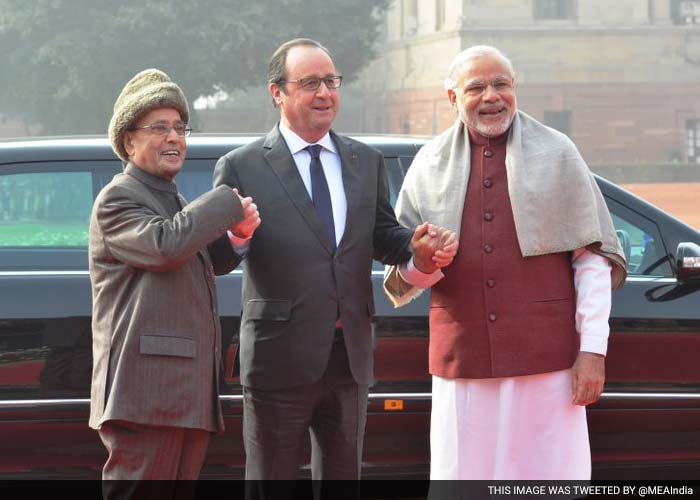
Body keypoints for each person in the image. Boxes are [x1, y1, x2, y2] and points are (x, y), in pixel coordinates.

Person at [212, 38, 456, 495]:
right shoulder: (242, 166)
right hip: (278, 358)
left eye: (331, 81)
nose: (325, 93)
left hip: (350, 356)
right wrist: (239, 234)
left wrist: (416, 250)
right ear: (277, 92)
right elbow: (218, 259)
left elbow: (384, 235)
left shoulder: (365, 161)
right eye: (310, 83)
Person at [384, 45, 627, 481]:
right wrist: (424, 260)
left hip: (547, 364)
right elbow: (407, 276)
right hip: (464, 364)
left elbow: (591, 261)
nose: (492, 96)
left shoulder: (558, 152)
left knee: (547, 479)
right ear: (453, 99)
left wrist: (592, 352)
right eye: (476, 87)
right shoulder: (428, 164)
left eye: (502, 84)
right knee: (465, 479)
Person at [88, 68, 260, 496]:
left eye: (180, 128)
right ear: (128, 142)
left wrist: (236, 239)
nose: (174, 138)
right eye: (159, 128)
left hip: (183, 394)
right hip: (146, 395)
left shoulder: (172, 198)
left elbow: (190, 257)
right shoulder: (119, 196)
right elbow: (164, 247)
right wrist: (225, 200)